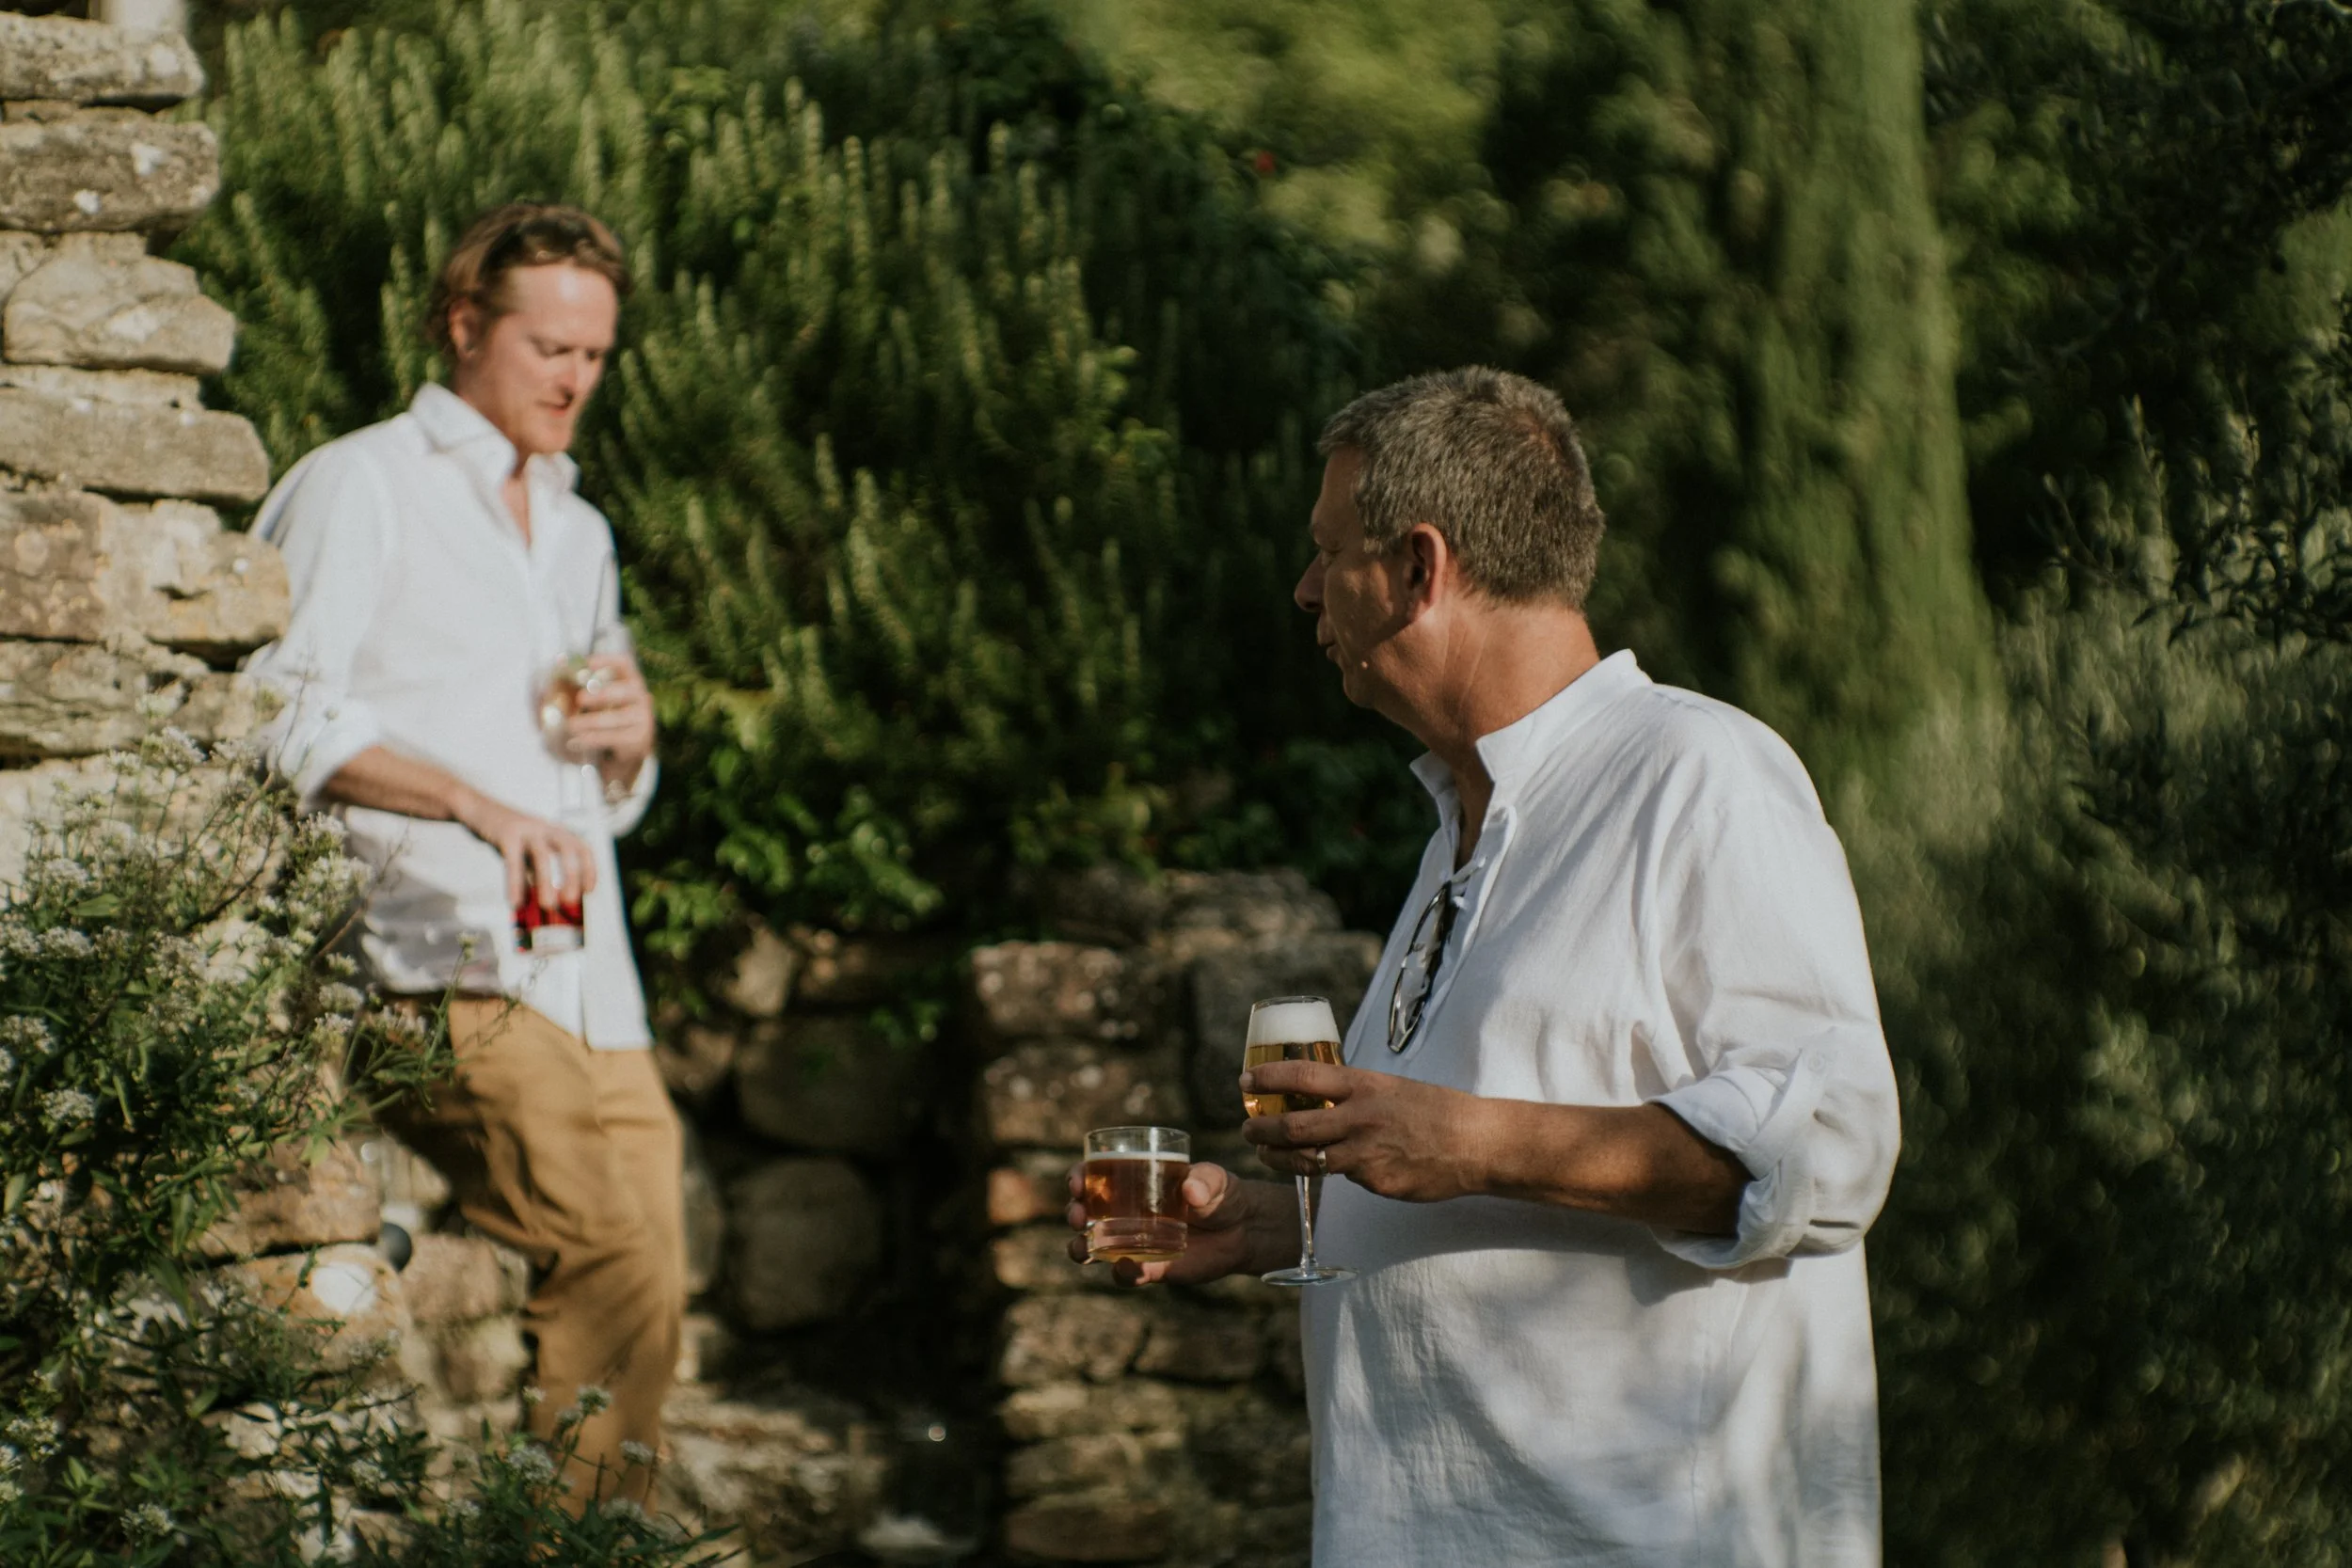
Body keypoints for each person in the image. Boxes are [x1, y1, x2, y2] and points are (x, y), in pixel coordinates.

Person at [1070, 367, 1902, 1564]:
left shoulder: (1697, 774)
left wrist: (1463, 1137)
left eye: (1328, 552)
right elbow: (1462, 1185)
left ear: (1419, 568)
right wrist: (1259, 1225)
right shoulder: (1460, 830)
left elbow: (1833, 1143)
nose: (1304, 588)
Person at [245, 204, 679, 1501]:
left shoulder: (581, 529)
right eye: (551, 348)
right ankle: (572, 1542)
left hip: (588, 972)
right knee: (606, 1248)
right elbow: (274, 709)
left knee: (654, 1266)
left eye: (595, 356)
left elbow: (603, 790)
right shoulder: (360, 481)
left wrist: (631, 746)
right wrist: (471, 803)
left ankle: (593, 1528)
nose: (575, 379)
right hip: (431, 957)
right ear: (463, 325)